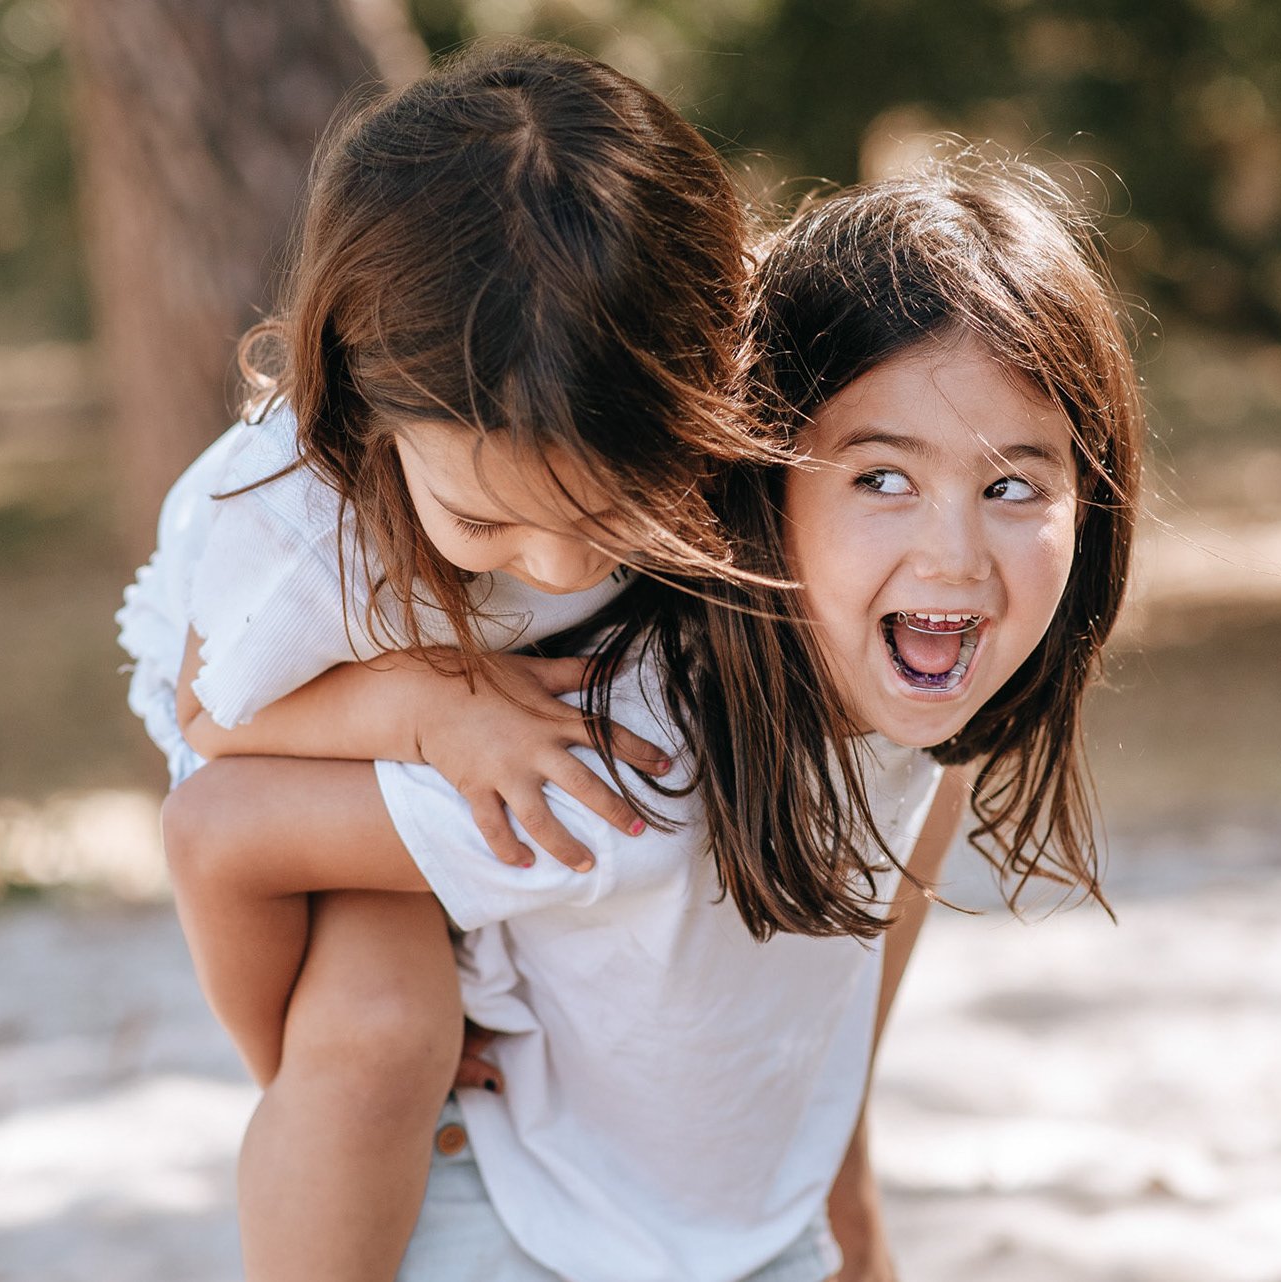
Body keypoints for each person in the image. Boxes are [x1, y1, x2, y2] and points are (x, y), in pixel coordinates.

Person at [161, 159, 1144, 1281]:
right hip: (525, 1230)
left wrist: (850, 1221)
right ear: (756, 469)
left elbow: (845, 979)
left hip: (741, 1236)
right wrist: (292, 1056)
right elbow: (214, 818)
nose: (957, 555)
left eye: (1015, 487)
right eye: (881, 478)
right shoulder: (618, 759)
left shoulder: (929, 713)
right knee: (372, 1032)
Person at [115, 41, 785, 1281]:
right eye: (488, 525)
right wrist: (435, 704)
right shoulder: (304, 522)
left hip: (422, 697)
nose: (562, 569)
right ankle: (317, 1112)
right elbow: (216, 715)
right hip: (308, 702)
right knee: (377, 1035)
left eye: (615, 513)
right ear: (365, 414)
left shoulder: (655, 367)